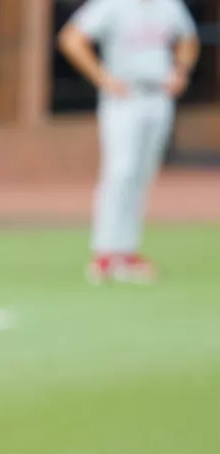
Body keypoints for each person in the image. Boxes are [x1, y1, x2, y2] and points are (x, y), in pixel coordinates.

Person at [58, 0, 202, 284]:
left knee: (141, 176)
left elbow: (188, 38)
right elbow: (71, 39)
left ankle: (126, 252)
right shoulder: (111, 5)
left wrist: (181, 70)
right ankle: (104, 253)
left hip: (158, 96)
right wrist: (101, 77)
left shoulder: (169, 6)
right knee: (119, 172)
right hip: (124, 98)